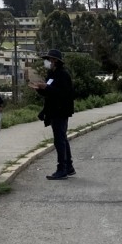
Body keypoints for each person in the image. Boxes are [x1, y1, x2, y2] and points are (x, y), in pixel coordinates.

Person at [33, 49, 75, 180]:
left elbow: (64, 94)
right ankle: (68, 166)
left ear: (55, 61)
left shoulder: (63, 75)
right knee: (62, 138)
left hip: (61, 111)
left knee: (59, 140)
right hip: (53, 110)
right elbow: (50, 93)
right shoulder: (51, 74)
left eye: (49, 59)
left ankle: (62, 168)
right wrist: (41, 89)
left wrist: (47, 88)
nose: (46, 62)